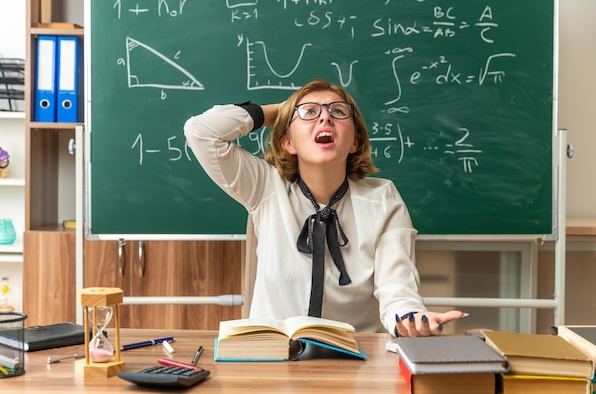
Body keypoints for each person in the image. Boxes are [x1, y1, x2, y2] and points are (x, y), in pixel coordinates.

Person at [184, 80, 466, 336]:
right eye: (309, 112)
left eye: (338, 111)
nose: (325, 116)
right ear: (287, 142)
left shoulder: (383, 198)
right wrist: (281, 111)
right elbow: (201, 132)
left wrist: (409, 318)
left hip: (356, 355)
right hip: (273, 355)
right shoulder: (265, 186)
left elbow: (397, 286)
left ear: (355, 141)